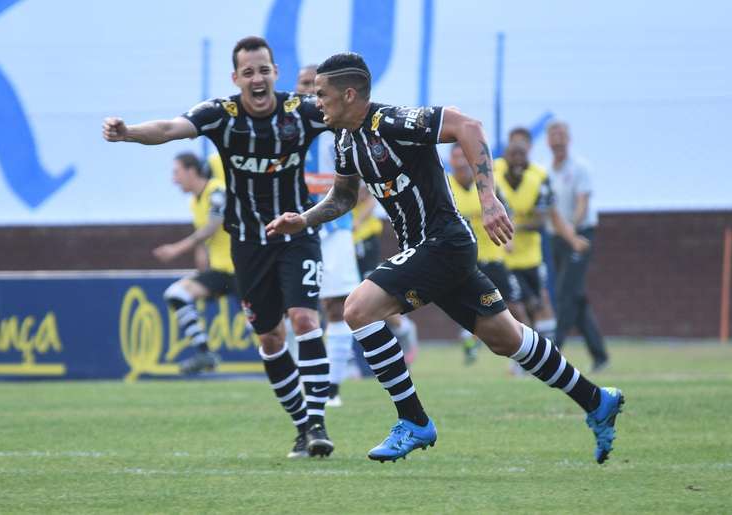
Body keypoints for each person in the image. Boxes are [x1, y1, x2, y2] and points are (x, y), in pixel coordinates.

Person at [267, 52, 624, 464]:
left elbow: (467, 126)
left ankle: (414, 420)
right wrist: (305, 219)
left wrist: (489, 198)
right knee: (505, 337)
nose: (315, 103)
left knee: (358, 308)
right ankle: (597, 399)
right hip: (429, 251)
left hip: (443, 242)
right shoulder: (345, 141)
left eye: (322, 94)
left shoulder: (393, 122)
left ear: (349, 95)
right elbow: (345, 195)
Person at [103, 36, 334, 459]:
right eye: (248, 72)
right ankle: (301, 425)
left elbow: (356, 115)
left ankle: (318, 423)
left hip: (297, 233)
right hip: (246, 244)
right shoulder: (221, 115)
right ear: (236, 78)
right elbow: (171, 129)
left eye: (264, 69)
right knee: (269, 338)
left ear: (275, 73)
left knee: (303, 318)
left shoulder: (300, 113)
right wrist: (129, 132)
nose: (257, 78)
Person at [297, 64, 362, 408]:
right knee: (293, 308)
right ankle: (303, 383)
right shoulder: (285, 127)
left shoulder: (338, 126)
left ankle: (330, 389)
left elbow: (358, 183)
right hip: (293, 226)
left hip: (333, 229)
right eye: (304, 85)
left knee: (336, 306)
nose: (310, 92)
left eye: (316, 87)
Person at [494, 135, 589, 343]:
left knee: (539, 304)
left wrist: (572, 239)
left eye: (522, 154)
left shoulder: (538, 178)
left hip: (531, 256)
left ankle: (545, 349)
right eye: (513, 154)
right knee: (517, 305)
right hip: (506, 258)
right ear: (505, 156)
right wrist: (508, 235)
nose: (518, 159)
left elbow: (545, 218)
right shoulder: (494, 175)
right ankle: (526, 351)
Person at [152, 152, 233, 374]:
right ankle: (204, 353)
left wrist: (176, 249)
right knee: (176, 294)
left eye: (176, 172)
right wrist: (201, 255)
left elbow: (212, 225)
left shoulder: (216, 190)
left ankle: (297, 367)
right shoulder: (193, 201)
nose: (174, 179)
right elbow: (204, 235)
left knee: (270, 329)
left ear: (191, 171)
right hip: (221, 271)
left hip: (244, 269)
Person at [448, 143, 528, 364]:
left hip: (494, 255)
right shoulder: (445, 186)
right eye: (456, 157)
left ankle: (525, 354)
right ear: (451, 161)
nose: (461, 162)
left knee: (513, 305)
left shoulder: (487, 185)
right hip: (464, 260)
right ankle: (470, 340)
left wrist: (508, 237)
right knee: (469, 307)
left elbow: (506, 212)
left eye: (464, 157)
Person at [546, 121, 609, 371]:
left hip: (580, 235)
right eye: (553, 135)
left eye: (561, 135)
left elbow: (583, 203)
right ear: (548, 141)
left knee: (565, 294)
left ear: (568, 139)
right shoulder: (545, 171)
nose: (557, 139)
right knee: (577, 296)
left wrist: (571, 230)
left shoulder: (580, 168)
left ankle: (553, 352)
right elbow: (548, 209)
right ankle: (600, 355)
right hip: (557, 237)